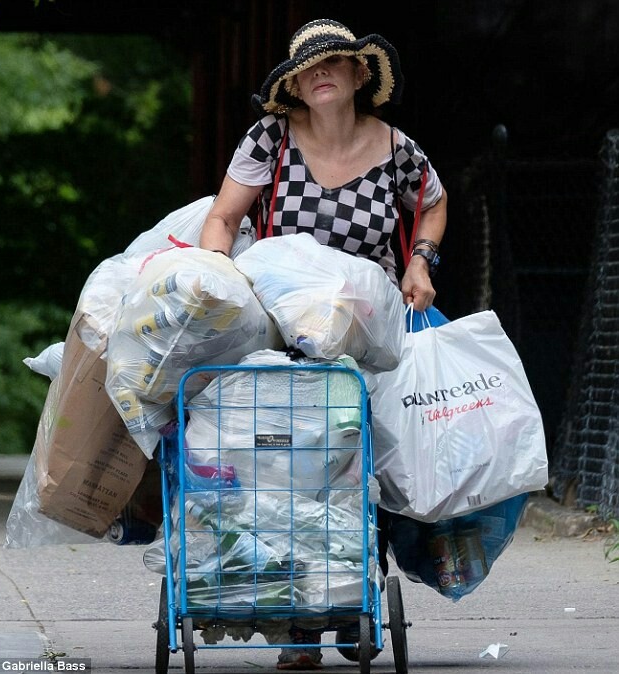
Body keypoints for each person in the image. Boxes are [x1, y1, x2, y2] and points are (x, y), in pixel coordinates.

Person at [200, 18, 447, 671]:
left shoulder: (398, 150)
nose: (322, 73)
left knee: (361, 467)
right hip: (287, 334)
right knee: (290, 469)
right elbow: (222, 220)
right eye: (308, 69)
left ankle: (351, 598)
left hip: (367, 335)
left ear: (362, 74)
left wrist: (420, 261)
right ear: (295, 87)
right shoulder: (270, 139)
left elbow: (434, 202)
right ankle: (303, 625)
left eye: (335, 63)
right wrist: (216, 283)